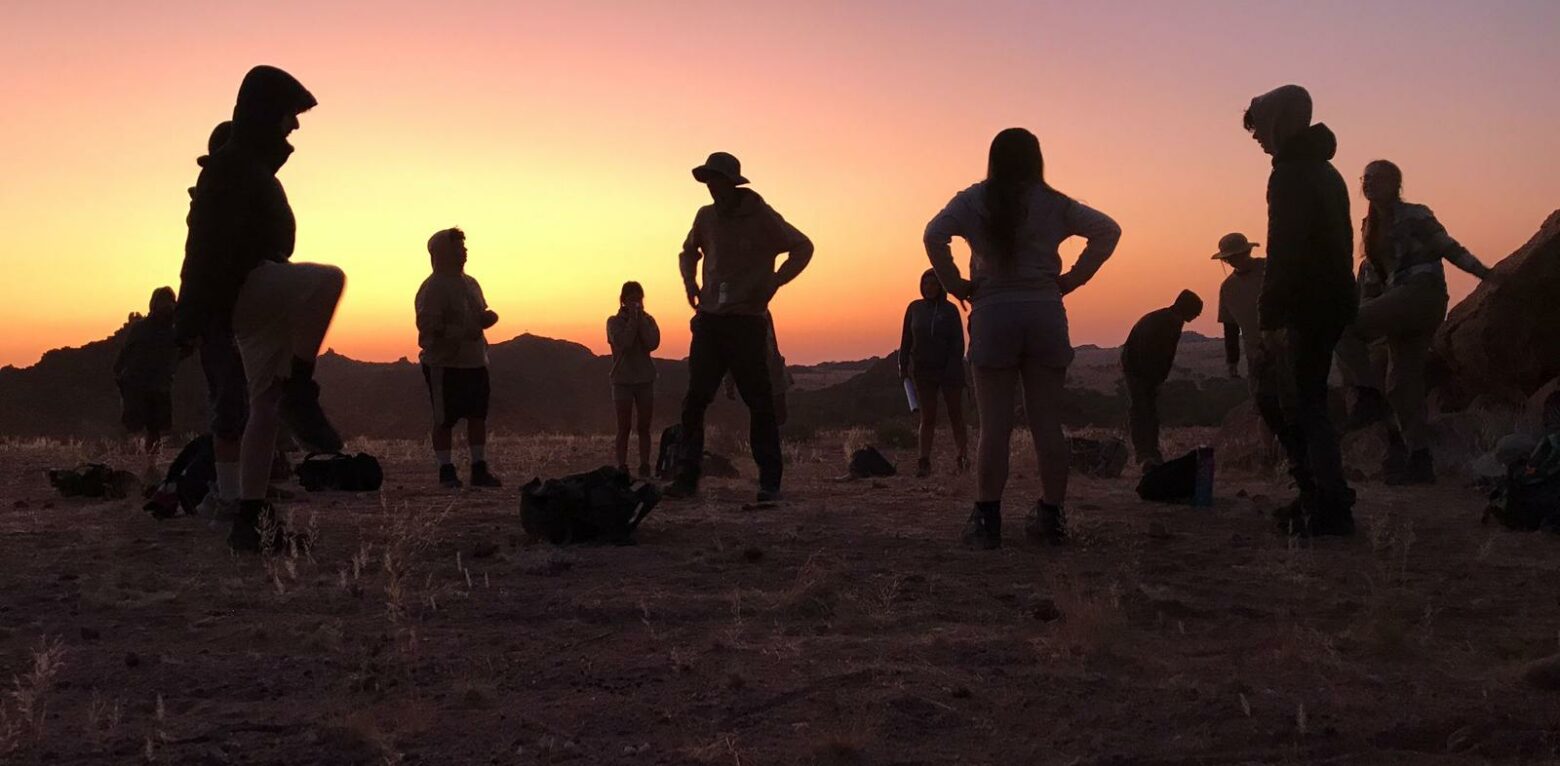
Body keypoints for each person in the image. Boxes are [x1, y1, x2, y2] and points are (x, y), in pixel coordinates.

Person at [924, 127, 1121, 549]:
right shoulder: (1054, 202)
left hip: (993, 311)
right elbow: (1108, 230)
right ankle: (1051, 517)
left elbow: (932, 235)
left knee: (993, 426)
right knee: (1046, 424)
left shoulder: (972, 200)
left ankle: (987, 520)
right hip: (1045, 310)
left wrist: (955, 282)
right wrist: (1072, 280)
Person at [178, 65, 345, 552]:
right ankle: (301, 383)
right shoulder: (232, 170)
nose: (294, 127)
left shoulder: (246, 169)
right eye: (290, 115)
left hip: (249, 297)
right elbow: (201, 251)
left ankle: (250, 519)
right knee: (328, 280)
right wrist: (194, 320)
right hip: (245, 292)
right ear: (267, 113)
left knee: (264, 404)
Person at [1335, 160, 1495, 484]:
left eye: (1376, 178)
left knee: (1340, 326)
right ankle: (1420, 460)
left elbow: (1448, 247)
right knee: (1401, 386)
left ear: (1395, 183)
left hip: (1421, 294)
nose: (1368, 184)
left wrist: (1486, 274)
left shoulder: (1416, 214)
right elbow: (1372, 275)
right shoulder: (1370, 225)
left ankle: (1366, 395)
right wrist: (1361, 305)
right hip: (1398, 302)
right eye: (1364, 179)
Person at [1243, 84, 1358, 537]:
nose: (1256, 139)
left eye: (1259, 129)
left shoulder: (1290, 174)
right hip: (1331, 300)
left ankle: (1327, 503)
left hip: (1306, 304)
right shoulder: (1326, 171)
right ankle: (1321, 494)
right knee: (1296, 400)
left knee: (1293, 401)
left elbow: (1283, 249)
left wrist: (1269, 316)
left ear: (1280, 122)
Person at [667, 152, 814, 502]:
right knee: (695, 400)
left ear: (731, 182)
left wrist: (776, 280)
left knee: (759, 401)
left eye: (716, 179)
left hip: (747, 321)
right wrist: (690, 282)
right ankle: (687, 478)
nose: (711, 186)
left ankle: (769, 481)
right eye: (708, 180)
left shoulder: (762, 217)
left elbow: (803, 247)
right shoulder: (705, 217)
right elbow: (688, 252)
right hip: (710, 320)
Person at [189, 121, 248, 518]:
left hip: (241, 313)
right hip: (223, 316)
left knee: (249, 401)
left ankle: (245, 488)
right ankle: (228, 495)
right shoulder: (213, 205)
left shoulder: (241, 197)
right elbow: (196, 265)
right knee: (230, 402)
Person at [416, 227, 502, 489]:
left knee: (478, 416)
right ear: (443, 252)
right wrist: (461, 332)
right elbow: (428, 326)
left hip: (475, 361)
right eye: (458, 247)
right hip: (444, 364)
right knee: (444, 419)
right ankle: (446, 470)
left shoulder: (471, 283)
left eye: (464, 246)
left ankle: (478, 468)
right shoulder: (432, 288)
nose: (464, 251)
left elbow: (480, 313)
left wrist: (487, 318)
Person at [1121, 290, 1204, 468]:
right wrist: (1153, 380)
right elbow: (1155, 354)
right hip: (1139, 371)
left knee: (1145, 411)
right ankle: (1145, 454)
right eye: (1196, 313)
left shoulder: (1165, 319)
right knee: (1143, 411)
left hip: (1141, 370)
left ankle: (1148, 452)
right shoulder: (1167, 323)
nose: (1196, 317)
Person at [899, 268, 970, 477]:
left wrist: (952, 366)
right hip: (923, 371)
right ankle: (924, 460)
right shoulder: (914, 308)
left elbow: (958, 343)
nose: (929, 288)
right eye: (925, 284)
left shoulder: (950, 310)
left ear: (941, 287)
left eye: (933, 284)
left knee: (955, 415)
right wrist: (903, 367)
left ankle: (963, 457)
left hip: (950, 371)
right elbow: (905, 340)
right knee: (927, 417)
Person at [113, 287, 180, 458]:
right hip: (136, 383)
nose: (166, 305)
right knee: (132, 424)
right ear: (154, 304)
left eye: (169, 301)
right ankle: (127, 458)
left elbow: (184, 349)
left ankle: (151, 462)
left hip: (160, 385)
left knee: (155, 428)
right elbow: (125, 351)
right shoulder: (141, 328)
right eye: (162, 301)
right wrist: (120, 374)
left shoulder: (175, 329)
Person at [607, 281, 661, 476]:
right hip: (622, 380)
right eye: (631, 299)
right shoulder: (613, 322)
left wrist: (641, 321)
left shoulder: (649, 320)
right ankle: (622, 465)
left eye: (638, 299)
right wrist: (632, 321)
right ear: (623, 300)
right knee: (624, 426)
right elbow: (625, 343)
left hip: (645, 379)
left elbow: (652, 343)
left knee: (644, 426)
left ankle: (645, 464)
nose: (636, 303)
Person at [1212, 233, 1267, 381]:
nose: (1232, 260)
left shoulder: (1268, 269)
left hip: (1286, 346)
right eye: (1229, 258)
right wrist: (1232, 362)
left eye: (1236, 255)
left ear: (1247, 252)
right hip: (1255, 354)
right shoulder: (1228, 287)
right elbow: (1230, 327)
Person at [724, 311, 790, 425]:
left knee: (776, 417)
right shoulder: (740, 315)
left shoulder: (762, 313)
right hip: (758, 376)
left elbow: (772, 345)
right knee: (765, 418)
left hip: (769, 374)